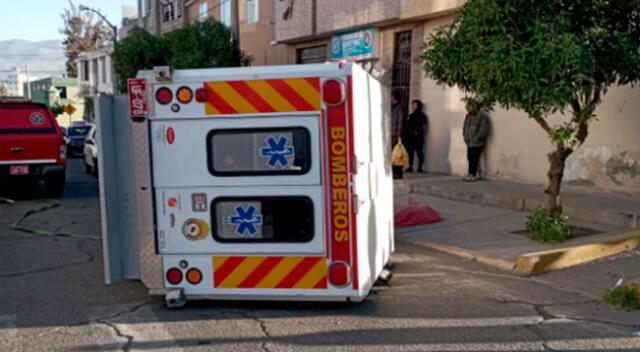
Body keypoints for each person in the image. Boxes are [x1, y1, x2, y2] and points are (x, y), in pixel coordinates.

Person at [462, 102, 490, 181]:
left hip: (477, 142)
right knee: (470, 157)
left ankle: (473, 174)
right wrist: (465, 137)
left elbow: (483, 129)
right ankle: (472, 173)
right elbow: (465, 127)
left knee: (474, 158)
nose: (468, 110)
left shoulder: (482, 116)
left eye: (470, 108)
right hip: (469, 142)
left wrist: (477, 138)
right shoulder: (468, 116)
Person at [405, 99, 428, 173]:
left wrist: (418, 132)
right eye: (412, 104)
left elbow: (424, 126)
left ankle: (420, 167)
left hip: (418, 137)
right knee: (410, 152)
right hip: (411, 137)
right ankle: (410, 166)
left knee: (419, 152)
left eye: (414, 104)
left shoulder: (422, 116)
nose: (413, 106)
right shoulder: (411, 115)